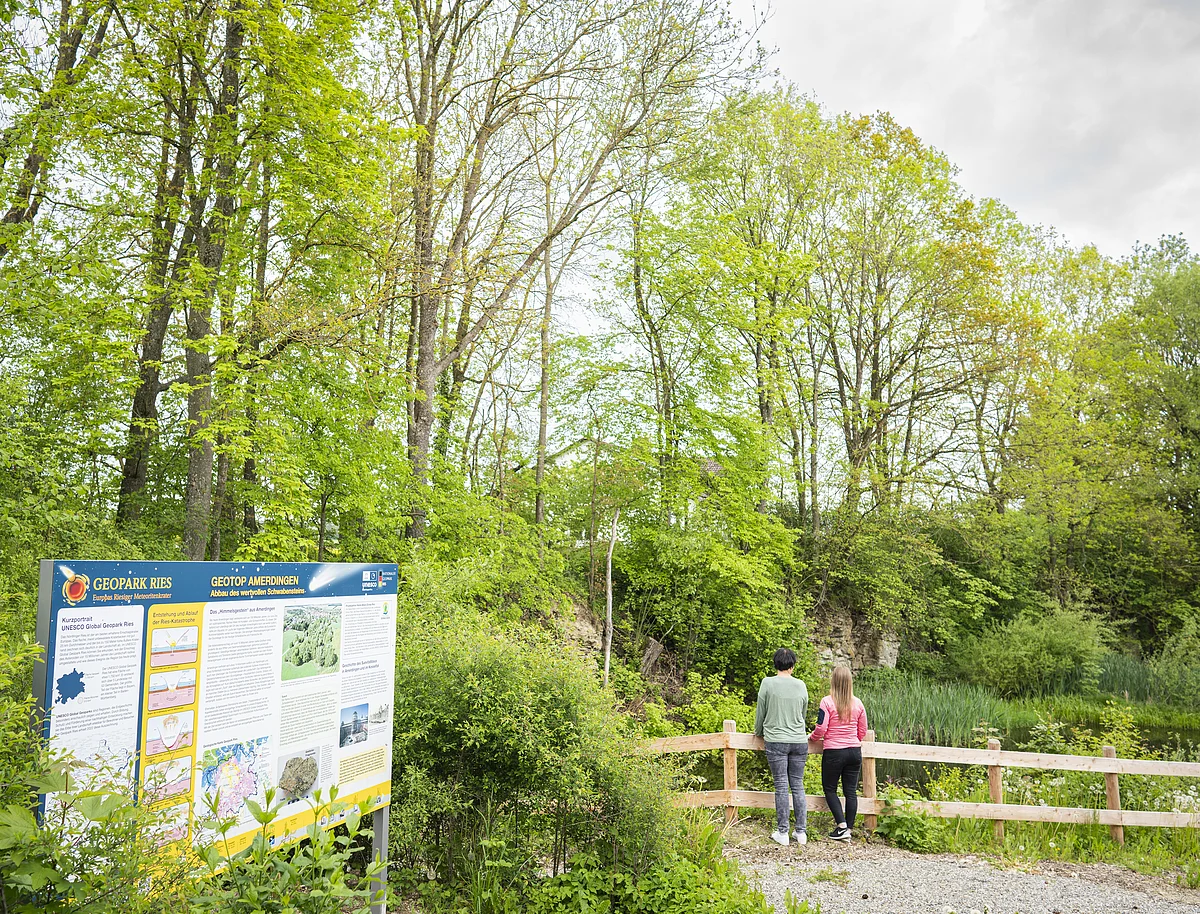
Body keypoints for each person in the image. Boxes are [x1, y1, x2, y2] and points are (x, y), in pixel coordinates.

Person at [754, 647, 810, 846]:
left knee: (781, 785)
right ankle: (801, 833)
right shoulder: (801, 685)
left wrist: (758, 731)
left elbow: (761, 712)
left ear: (775, 664)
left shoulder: (767, 683)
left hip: (776, 739)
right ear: (792, 666)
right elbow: (802, 714)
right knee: (797, 784)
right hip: (799, 740)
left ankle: (783, 832)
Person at [809, 665, 868, 842]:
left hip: (834, 751)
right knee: (851, 791)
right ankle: (849, 828)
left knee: (830, 789)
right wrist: (853, 739)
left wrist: (813, 738)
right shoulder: (858, 703)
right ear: (850, 682)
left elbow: (821, 727)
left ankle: (841, 826)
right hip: (854, 751)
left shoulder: (827, 702)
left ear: (833, 681)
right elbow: (862, 730)